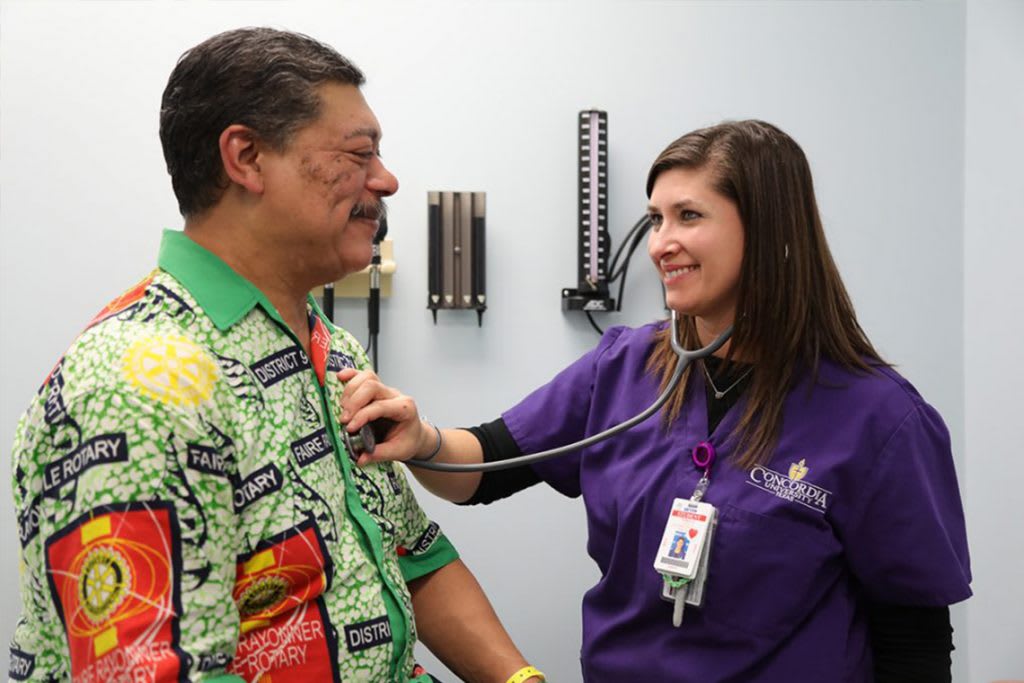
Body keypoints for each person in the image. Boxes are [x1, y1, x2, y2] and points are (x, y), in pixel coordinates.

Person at [339, 120, 972, 682]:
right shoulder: (625, 365)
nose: (660, 243)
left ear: (773, 232)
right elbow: (484, 469)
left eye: (688, 217)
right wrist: (421, 439)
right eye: (656, 219)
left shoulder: (878, 418)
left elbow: (912, 640)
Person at [7, 27, 545, 683]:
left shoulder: (331, 350)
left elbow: (413, 556)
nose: (388, 179)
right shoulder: (132, 383)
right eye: (359, 153)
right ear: (248, 158)